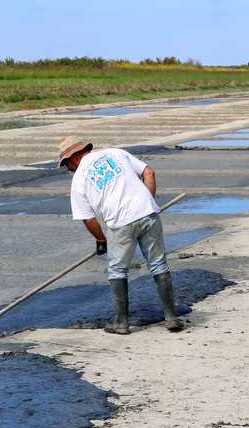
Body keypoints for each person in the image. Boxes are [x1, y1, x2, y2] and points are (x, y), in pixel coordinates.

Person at [56, 135, 182, 335]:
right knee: (158, 264)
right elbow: (149, 173)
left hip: (120, 223)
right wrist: (147, 205)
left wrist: (101, 241)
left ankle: (122, 324)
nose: (68, 169)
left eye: (66, 164)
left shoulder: (79, 180)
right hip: (148, 215)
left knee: (117, 271)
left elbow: (88, 220)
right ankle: (171, 318)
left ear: (73, 157)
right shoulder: (115, 152)